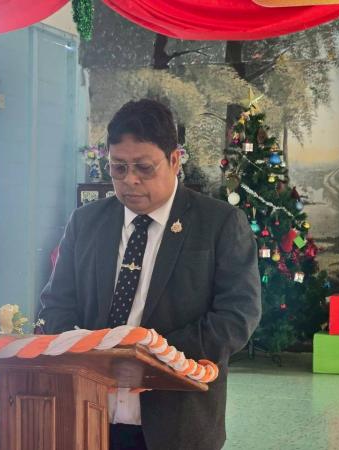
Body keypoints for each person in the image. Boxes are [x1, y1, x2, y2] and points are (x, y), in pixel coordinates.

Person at [38, 99, 261, 450]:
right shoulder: (86, 222)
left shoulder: (218, 223)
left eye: (144, 167)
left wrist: (147, 361)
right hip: (89, 415)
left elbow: (236, 318)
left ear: (174, 160)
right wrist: (93, 361)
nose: (130, 180)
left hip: (177, 421)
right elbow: (56, 305)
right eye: (118, 168)